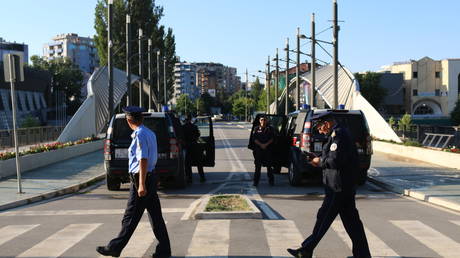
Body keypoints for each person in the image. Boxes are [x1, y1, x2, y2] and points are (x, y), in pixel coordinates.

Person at [287, 112, 371, 258]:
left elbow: (335, 161)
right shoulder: (338, 134)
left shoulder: (339, 136)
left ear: (326, 123)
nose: (319, 131)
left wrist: (319, 162)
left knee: (324, 218)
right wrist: (318, 157)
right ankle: (362, 255)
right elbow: (333, 157)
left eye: (319, 128)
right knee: (352, 223)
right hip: (343, 185)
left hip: (338, 187)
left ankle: (306, 250)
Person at [97, 106, 171, 258]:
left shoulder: (139, 135)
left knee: (130, 216)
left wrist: (142, 184)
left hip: (140, 179)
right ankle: (164, 250)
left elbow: (143, 159)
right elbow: (150, 158)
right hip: (149, 176)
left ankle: (115, 247)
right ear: (142, 119)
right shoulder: (149, 133)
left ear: (128, 120)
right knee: (156, 217)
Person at [250, 115, 275, 186]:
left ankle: (271, 181)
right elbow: (254, 139)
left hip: (268, 150)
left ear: (266, 121)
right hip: (258, 151)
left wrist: (265, 145)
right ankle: (256, 182)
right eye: (261, 120)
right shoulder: (256, 129)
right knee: (258, 167)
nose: (263, 121)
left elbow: (272, 139)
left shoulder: (270, 129)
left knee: (269, 167)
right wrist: (261, 145)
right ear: (259, 121)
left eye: (264, 120)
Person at [182, 114, 206, 183]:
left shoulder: (182, 127)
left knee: (188, 164)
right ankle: (202, 177)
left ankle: (189, 178)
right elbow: (198, 135)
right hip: (195, 146)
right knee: (199, 163)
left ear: (185, 120)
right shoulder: (194, 126)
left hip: (187, 147)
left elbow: (181, 136)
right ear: (190, 119)